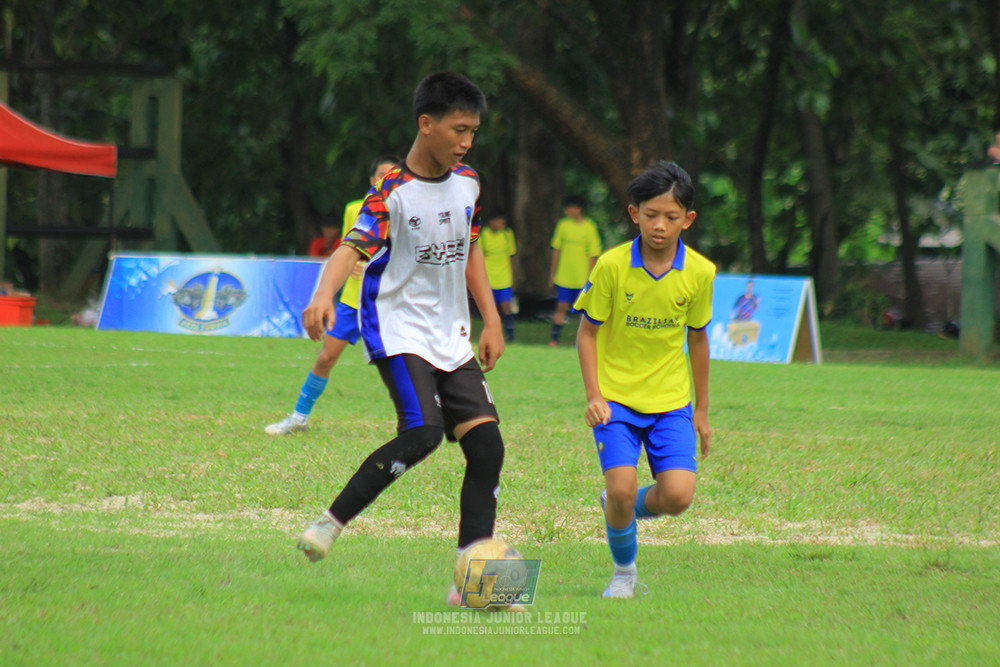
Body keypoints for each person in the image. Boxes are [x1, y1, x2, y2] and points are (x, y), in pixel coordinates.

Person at [296, 72, 507, 607]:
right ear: (426, 123)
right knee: (423, 435)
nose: (466, 141)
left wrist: (493, 319)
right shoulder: (392, 191)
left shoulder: (470, 183)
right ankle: (330, 522)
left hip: (452, 334)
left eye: (474, 131)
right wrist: (324, 294)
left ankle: (470, 585)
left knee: (487, 447)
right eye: (459, 129)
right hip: (397, 327)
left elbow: (472, 249)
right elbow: (350, 249)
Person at [574, 161, 715, 599]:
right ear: (633, 213)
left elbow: (698, 340)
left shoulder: (700, 273)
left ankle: (619, 509)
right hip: (616, 400)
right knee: (621, 484)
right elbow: (587, 333)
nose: (660, 225)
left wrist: (702, 410)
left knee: (677, 498)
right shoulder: (613, 266)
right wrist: (594, 395)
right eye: (651, 214)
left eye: (671, 217)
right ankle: (624, 572)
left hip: (671, 401)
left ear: (687, 220)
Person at [265, 155, 400, 435]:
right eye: (381, 175)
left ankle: (427, 420)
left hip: (391, 300)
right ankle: (299, 418)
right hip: (353, 300)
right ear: (372, 180)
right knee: (326, 357)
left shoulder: (409, 209)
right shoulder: (355, 208)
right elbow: (350, 247)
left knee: (408, 364)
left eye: (392, 174)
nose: (385, 179)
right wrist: (354, 264)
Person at [549, 194, 602, 346]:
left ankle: (581, 342)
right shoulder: (563, 225)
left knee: (584, 312)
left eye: (569, 208)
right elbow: (556, 249)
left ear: (578, 209)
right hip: (564, 276)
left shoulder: (589, 227)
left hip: (582, 278)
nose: (567, 211)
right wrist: (553, 273)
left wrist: (591, 277)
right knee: (561, 307)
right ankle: (554, 339)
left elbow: (594, 254)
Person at [480, 208, 517, 342]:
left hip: (504, 278)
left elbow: (511, 255)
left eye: (503, 223)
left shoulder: (507, 234)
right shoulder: (483, 235)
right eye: (498, 223)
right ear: (491, 222)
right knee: (491, 309)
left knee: (506, 307)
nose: (501, 225)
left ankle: (510, 335)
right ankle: (493, 335)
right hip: (489, 278)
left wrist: (513, 275)